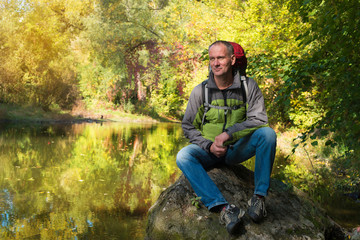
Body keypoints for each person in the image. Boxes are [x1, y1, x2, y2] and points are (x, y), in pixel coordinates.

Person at [176, 40, 277, 234]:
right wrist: (208, 146)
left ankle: (259, 199)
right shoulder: (201, 91)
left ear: (232, 60)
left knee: (268, 134)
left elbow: (259, 119)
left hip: (236, 150)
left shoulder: (248, 86)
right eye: (212, 58)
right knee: (183, 156)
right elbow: (187, 126)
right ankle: (224, 208)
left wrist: (229, 133)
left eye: (220, 58)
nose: (216, 63)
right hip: (209, 152)